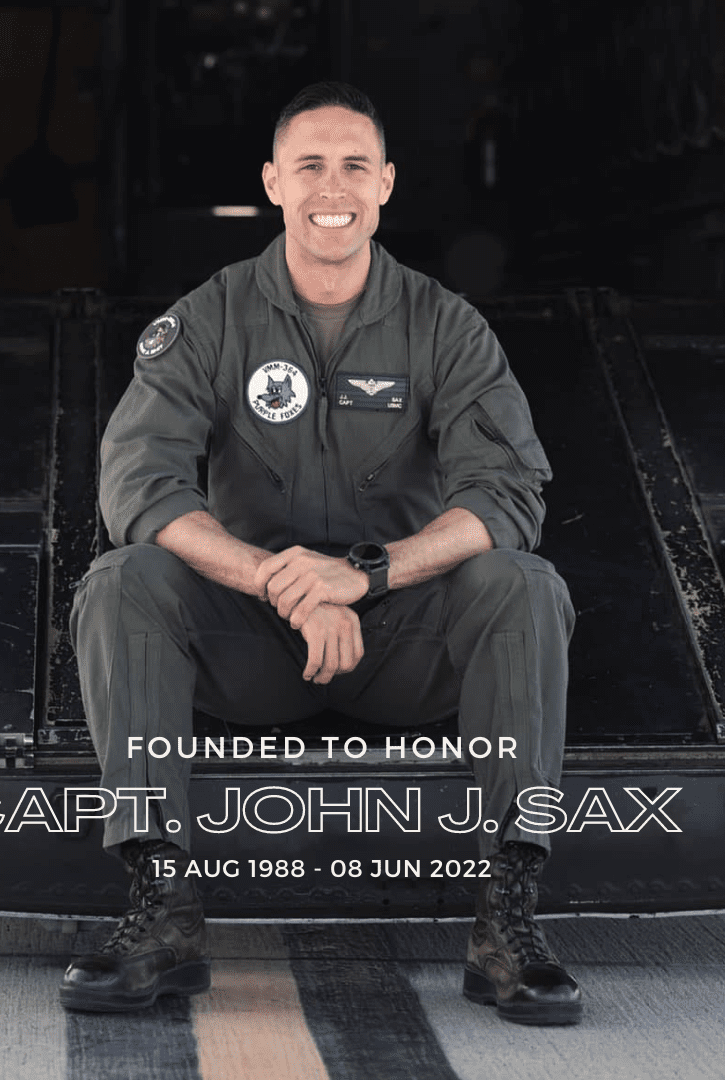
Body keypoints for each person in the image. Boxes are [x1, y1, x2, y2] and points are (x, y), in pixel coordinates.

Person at [61, 81, 582, 1026]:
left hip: (404, 644)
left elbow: (505, 493)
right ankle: (160, 908)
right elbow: (139, 484)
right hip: (253, 638)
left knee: (523, 585)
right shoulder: (210, 317)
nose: (330, 187)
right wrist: (274, 579)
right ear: (272, 182)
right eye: (309, 165)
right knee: (122, 583)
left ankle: (510, 915)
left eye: (353, 166)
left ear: (386, 185)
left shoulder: (445, 325)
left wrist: (368, 575)